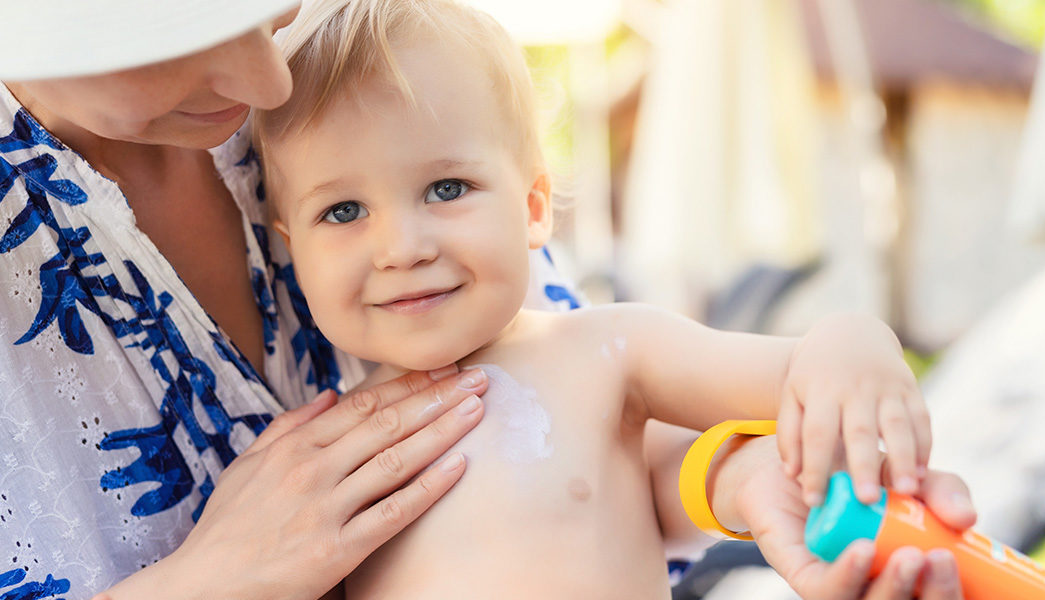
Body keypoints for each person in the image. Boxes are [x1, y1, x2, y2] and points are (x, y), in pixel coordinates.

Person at [0, 1, 974, 599]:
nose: (268, 75)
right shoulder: (339, 430)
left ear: (536, 201)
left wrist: (752, 462)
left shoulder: (596, 348)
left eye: (448, 191)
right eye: (343, 211)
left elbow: (776, 382)